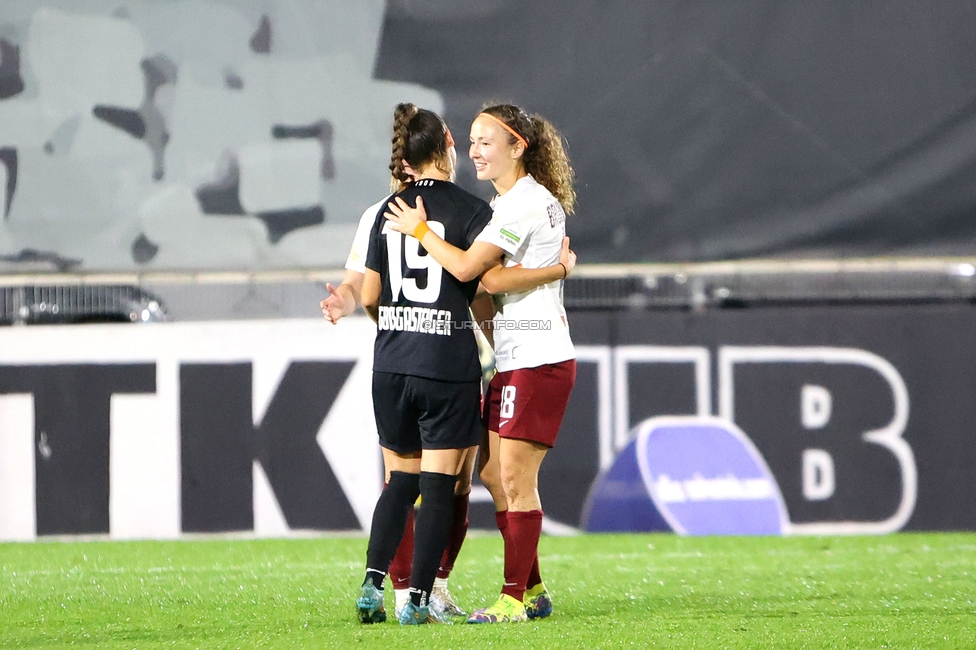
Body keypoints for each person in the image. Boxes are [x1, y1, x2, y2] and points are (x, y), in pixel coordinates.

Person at [382, 103, 577, 624]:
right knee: (493, 473)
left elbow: (479, 276)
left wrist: (422, 233)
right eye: (470, 140)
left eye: (486, 141)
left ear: (518, 147)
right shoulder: (511, 201)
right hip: (517, 357)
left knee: (515, 481)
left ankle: (514, 599)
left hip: (537, 358)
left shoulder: (522, 204)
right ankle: (532, 590)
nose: (474, 151)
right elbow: (487, 291)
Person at [321, 169, 475, 622]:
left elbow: (367, 292)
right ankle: (419, 593)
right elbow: (356, 287)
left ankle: (387, 584)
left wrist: (385, 320)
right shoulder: (466, 208)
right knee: (446, 484)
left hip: (394, 359)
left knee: (403, 482)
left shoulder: (379, 213)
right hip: (446, 359)